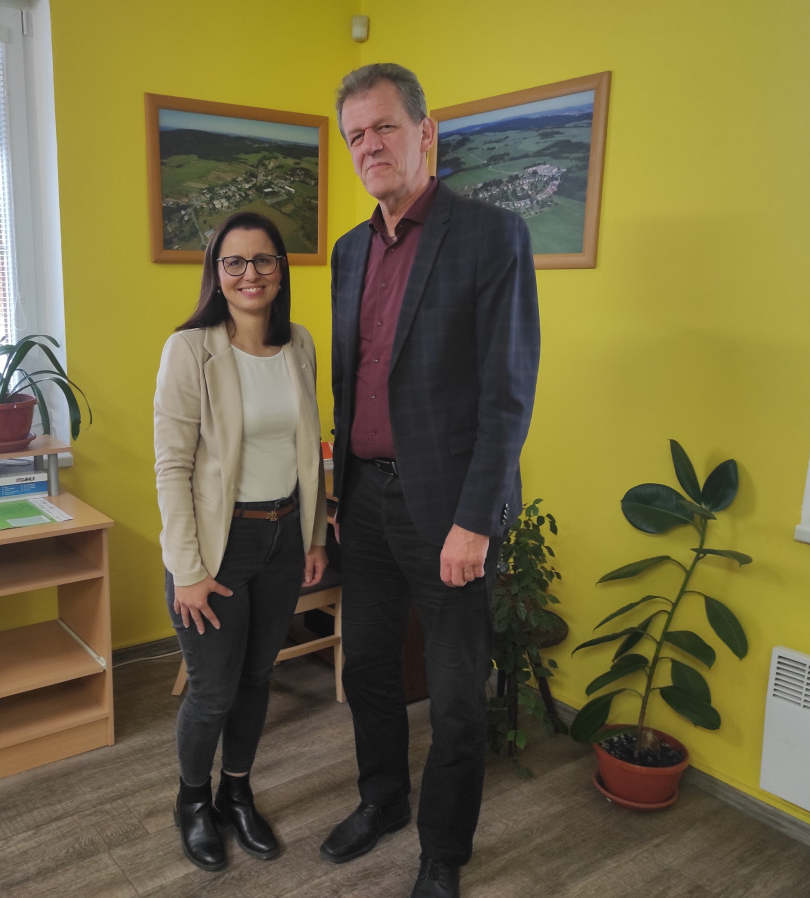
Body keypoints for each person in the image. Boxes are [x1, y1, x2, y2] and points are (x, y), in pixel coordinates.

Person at [321, 64, 541, 898]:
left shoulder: (490, 236)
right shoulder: (349, 252)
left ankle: (442, 850)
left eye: (383, 127)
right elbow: (349, 384)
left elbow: (507, 393)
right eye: (355, 135)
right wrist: (337, 495)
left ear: (425, 132)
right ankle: (382, 800)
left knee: (453, 696)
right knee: (369, 669)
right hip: (365, 501)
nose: (369, 146)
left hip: (450, 510)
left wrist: (476, 521)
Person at [154, 211, 329, 872]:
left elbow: (308, 451)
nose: (249, 273)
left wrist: (313, 535)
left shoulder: (300, 345)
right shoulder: (190, 349)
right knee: (213, 691)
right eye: (235, 262)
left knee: (258, 677)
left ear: (281, 269)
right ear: (217, 272)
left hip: (283, 539)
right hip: (216, 549)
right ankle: (192, 801)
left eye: (263, 260)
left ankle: (236, 791)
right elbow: (172, 466)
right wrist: (187, 569)